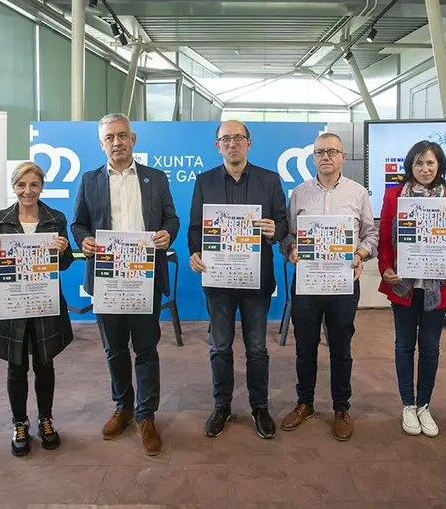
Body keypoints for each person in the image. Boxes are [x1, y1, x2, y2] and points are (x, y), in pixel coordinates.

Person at [71, 113, 179, 456]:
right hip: (107, 279)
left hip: (145, 278)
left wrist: (168, 234)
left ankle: (146, 416)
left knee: (145, 349)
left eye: (122, 135)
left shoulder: (155, 178)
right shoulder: (89, 180)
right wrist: (84, 240)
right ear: (101, 143)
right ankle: (124, 407)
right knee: (114, 349)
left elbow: (172, 218)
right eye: (109, 138)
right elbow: (78, 223)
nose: (116, 142)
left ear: (133, 139)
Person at [188, 120, 289, 439]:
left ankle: (260, 407)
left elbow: (284, 224)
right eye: (226, 139)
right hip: (218, 280)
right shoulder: (204, 181)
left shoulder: (269, 179)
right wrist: (195, 252)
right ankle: (222, 406)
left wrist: (275, 231)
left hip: (256, 280)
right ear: (217, 145)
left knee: (257, 348)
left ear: (249, 143)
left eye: (238, 138)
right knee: (220, 347)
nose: (232, 143)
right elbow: (195, 228)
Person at [279, 132, 378, 441]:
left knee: (341, 349)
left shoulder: (358, 193)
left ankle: (341, 407)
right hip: (307, 283)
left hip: (343, 283)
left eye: (332, 152)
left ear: (342, 157)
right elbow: (288, 234)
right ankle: (305, 402)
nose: (326, 157)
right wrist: (291, 249)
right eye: (320, 152)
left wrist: (360, 255)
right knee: (305, 347)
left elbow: (371, 235)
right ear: (313, 158)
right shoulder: (299, 193)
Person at [377, 141, 446, 438]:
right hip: (403, 285)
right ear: (410, 166)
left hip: (436, 286)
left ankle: (424, 405)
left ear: (439, 166)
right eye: (419, 163)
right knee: (404, 345)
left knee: (430, 347)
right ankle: (408, 403)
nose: (425, 169)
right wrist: (386, 268)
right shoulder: (394, 195)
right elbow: (384, 238)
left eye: (430, 163)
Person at [0, 161, 74, 456]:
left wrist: (63, 251)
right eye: (21, 185)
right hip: (13, 302)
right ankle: (19, 423)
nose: (28, 191)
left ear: (42, 186)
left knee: (45, 364)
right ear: (14, 187)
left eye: (34, 184)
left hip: (45, 301)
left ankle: (46, 419)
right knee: (16, 366)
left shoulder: (56, 218)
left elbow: (65, 263)